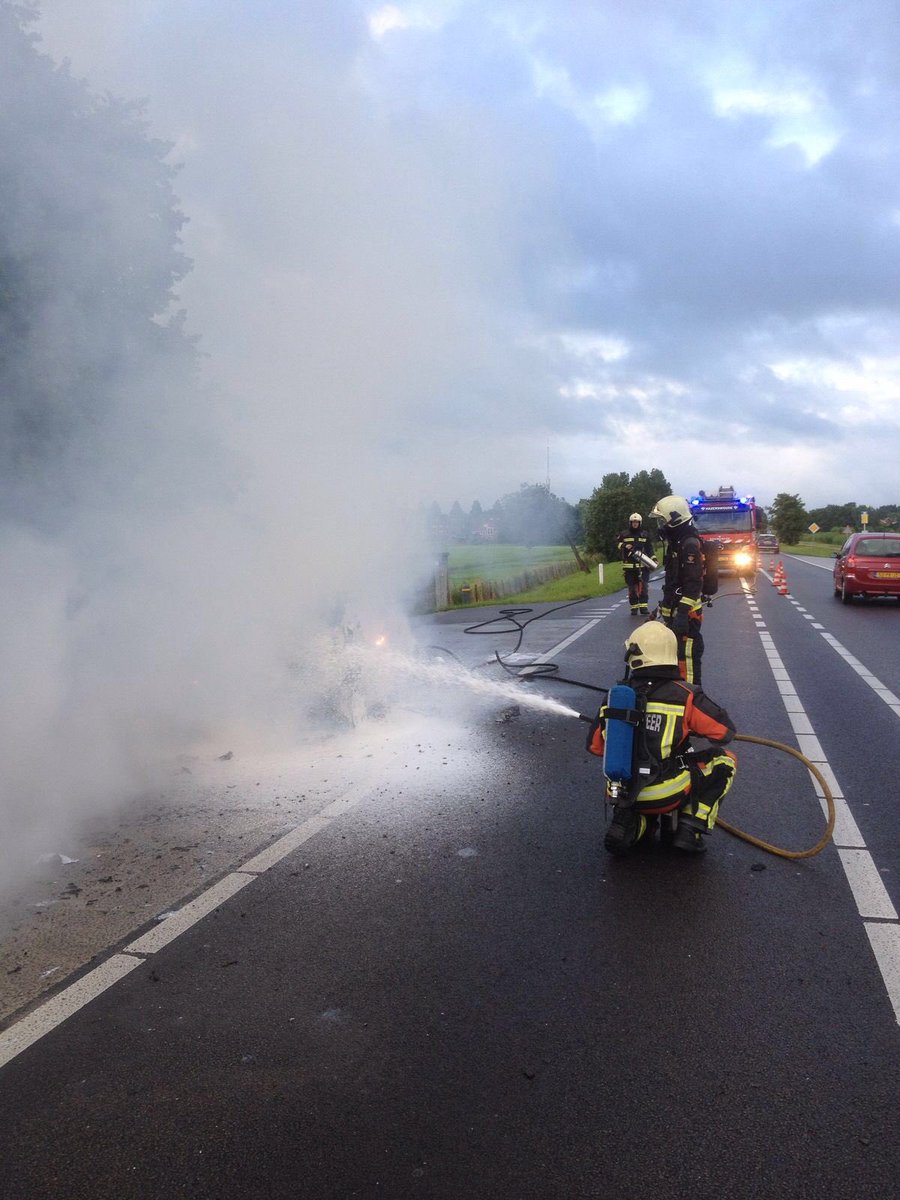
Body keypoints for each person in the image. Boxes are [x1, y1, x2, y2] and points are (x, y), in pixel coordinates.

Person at [586, 622, 737, 855]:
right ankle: (690, 827)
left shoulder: (617, 697)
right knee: (724, 760)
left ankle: (635, 824)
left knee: (639, 807)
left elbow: (595, 747)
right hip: (666, 794)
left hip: (621, 792)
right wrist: (689, 726)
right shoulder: (685, 694)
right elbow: (724, 732)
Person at [649, 494, 705, 684]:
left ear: (675, 519)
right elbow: (673, 582)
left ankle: (690, 697)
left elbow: (693, 583)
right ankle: (678, 695)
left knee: (686, 659)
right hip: (675, 612)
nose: (661, 526)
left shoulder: (689, 545)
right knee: (675, 658)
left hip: (687, 616)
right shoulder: (677, 543)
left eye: (662, 521)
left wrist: (682, 613)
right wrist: (661, 610)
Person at [616, 512, 656, 616]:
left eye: (636, 522)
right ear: (630, 523)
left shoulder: (645, 534)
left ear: (640, 523)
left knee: (644, 587)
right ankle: (634, 607)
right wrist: (624, 545)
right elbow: (617, 544)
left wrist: (653, 558)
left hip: (642, 566)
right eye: (633, 522)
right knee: (632, 588)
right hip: (629, 566)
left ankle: (643, 607)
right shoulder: (624, 534)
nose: (635, 524)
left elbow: (649, 548)